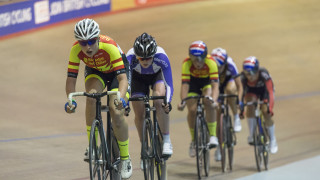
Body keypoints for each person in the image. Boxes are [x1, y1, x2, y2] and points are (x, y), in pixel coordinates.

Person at [64, 18, 132, 178]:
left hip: (118, 73)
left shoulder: (109, 46)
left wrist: (120, 98)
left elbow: (123, 79)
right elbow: (71, 80)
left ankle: (125, 158)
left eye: (91, 41)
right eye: (83, 43)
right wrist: (71, 100)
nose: (87, 47)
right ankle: (93, 145)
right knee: (91, 97)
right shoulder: (75, 50)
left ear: (98, 38)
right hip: (96, 71)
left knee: (116, 110)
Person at [126, 32, 174, 169]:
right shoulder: (129, 58)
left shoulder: (162, 57)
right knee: (139, 112)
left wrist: (168, 102)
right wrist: (126, 103)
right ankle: (144, 147)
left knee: (159, 101)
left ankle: (166, 139)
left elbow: (169, 83)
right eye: (141, 58)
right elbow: (126, 83)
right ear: (136, 56)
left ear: (154, 55)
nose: (145, 61)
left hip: (156, 76)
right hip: (137, 79)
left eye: (148, 58)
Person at [177, 40, 219, 158]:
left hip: (206, 83)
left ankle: (212, 135)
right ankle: (194, 140)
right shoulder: (186, 63)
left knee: (208, 101)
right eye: (194, 58)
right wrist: (182, 101)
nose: (197, 62)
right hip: (193, 84)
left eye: (200, 58)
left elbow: (215, 86)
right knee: (192, 110)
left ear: (205, 56)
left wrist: (214, 100)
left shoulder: (211, 63)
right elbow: (185, 85)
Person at [240, 56, 278, 154]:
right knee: (250, 105)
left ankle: (273, 140)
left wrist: (270, 108)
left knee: (265, 111)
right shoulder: (242, 78)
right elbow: (240, 94)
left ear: (257, 71)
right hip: (252, 92)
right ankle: (252, 134)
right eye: (247, 73)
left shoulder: (264, 75)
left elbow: (270, 92)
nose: (250, 76)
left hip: (264, 92)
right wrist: (241, 109)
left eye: (253, 73)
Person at [211, 47, 244, 161]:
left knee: (230, 91)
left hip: (229, 81)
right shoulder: (210, 65)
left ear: (225, 63)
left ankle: (235, 117)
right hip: (217, 84)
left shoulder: (230, 64)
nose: (218, 69)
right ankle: (219, 148)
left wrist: (239, 102)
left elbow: (239, 86)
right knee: (217, 111)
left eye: (220, 67)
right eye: (216, 67)